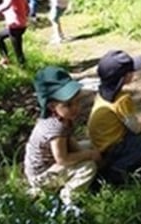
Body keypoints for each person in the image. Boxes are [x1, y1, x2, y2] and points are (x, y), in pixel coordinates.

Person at [24, 66, 101, 205]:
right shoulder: (55, 127)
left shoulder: (63, 118)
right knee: (89, 166)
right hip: (43, 175)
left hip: (51, 164)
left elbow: (69, 141)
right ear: (52, 107)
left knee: (90, 144)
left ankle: (57, 185)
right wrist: (88, 155)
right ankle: (69, 196)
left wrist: (85, 151)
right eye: (68, 105)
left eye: (77, 101)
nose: (75, 108)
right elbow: (62, 159)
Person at [86, 50, 141, 184]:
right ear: (123, 77)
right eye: (131, 72)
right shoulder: (122, 100)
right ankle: (116, 173)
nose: (134, 73)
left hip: (98, 141)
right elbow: (134, 128)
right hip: (113, 145)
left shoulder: (101, 93)